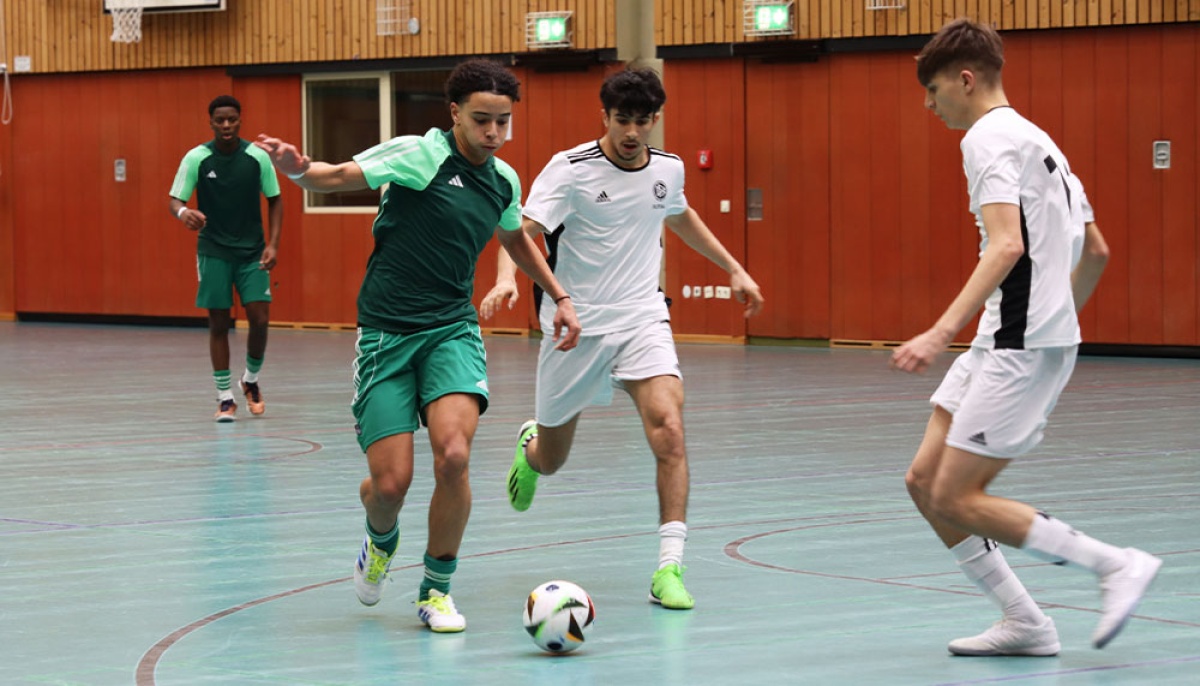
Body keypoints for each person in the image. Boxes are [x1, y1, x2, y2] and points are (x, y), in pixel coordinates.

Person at [254, 59, 580, 633]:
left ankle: (435, 589)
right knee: (389, 485)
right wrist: (299, 169)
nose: (494, 134)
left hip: (452, 329)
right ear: (454, 113)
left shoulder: (503, 181)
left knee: (454, 455)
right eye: (483, 120)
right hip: (386, 332)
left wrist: (559, 296)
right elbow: (334, 177)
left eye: (504, 122)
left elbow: (516, 239)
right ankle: (380, 540)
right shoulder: (417, 154)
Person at [893, 18, 1160, 656]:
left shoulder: (986, 138)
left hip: (1017, 344)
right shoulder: (1043, 142)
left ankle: (1114, 564)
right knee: (924, 482)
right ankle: (1026, 623)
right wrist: (1056, 320)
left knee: (957, 495)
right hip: (1008, 337)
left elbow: (1008, 243)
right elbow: (1095, 251)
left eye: (933, 90)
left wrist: (939, 330)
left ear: (965, 79)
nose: (929, 106)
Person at [480, 67, 764, 611]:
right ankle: (530, 450)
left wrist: (733, 267)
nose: (633, 132)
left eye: (643, 121)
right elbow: (519, 231)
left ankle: (668, 569)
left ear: (655, 119)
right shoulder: (570, 169)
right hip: (575, 327)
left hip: (642, 318)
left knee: (670, 430)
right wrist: (506, 278)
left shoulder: (668, 169)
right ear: (604, 116)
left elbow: (680, 216)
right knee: (553, 459)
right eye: (622, 120)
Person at [170, 95, 283, 422]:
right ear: (211, 122)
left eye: (232, 119)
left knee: (259, 318)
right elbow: (175, 199)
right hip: (214, 251)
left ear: (240, 120)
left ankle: (250, 380)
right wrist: (183, 212)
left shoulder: (257, 157)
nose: (226, 125)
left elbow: (275, 200)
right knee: (219, 322)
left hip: (252, 252)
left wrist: (273, 244)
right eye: (220, 120)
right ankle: (224, 398)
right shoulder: (197, 158)